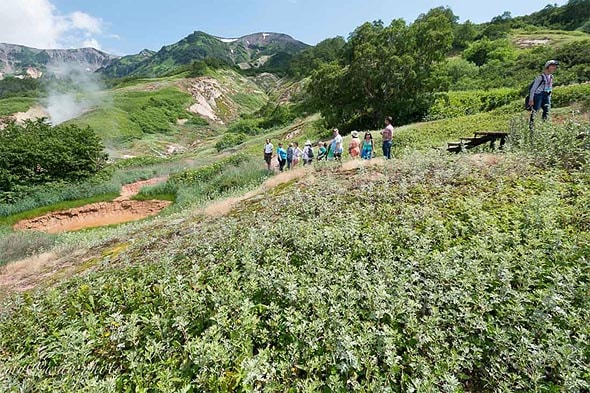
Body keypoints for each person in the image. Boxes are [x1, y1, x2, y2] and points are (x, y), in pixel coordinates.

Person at [529, 60, 558, 131]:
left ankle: (544, 126)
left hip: (546, 94)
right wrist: (531, 99)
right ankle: (532, 128)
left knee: (547, 111)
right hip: (538, 95)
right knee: (535, 111)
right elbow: (533, 89)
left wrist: (549, 97)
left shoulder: (551, 77)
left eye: (555, 66)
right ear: (548, 67)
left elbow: (550, 87)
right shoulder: (540, 77)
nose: (554, 68)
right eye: (553, 66)